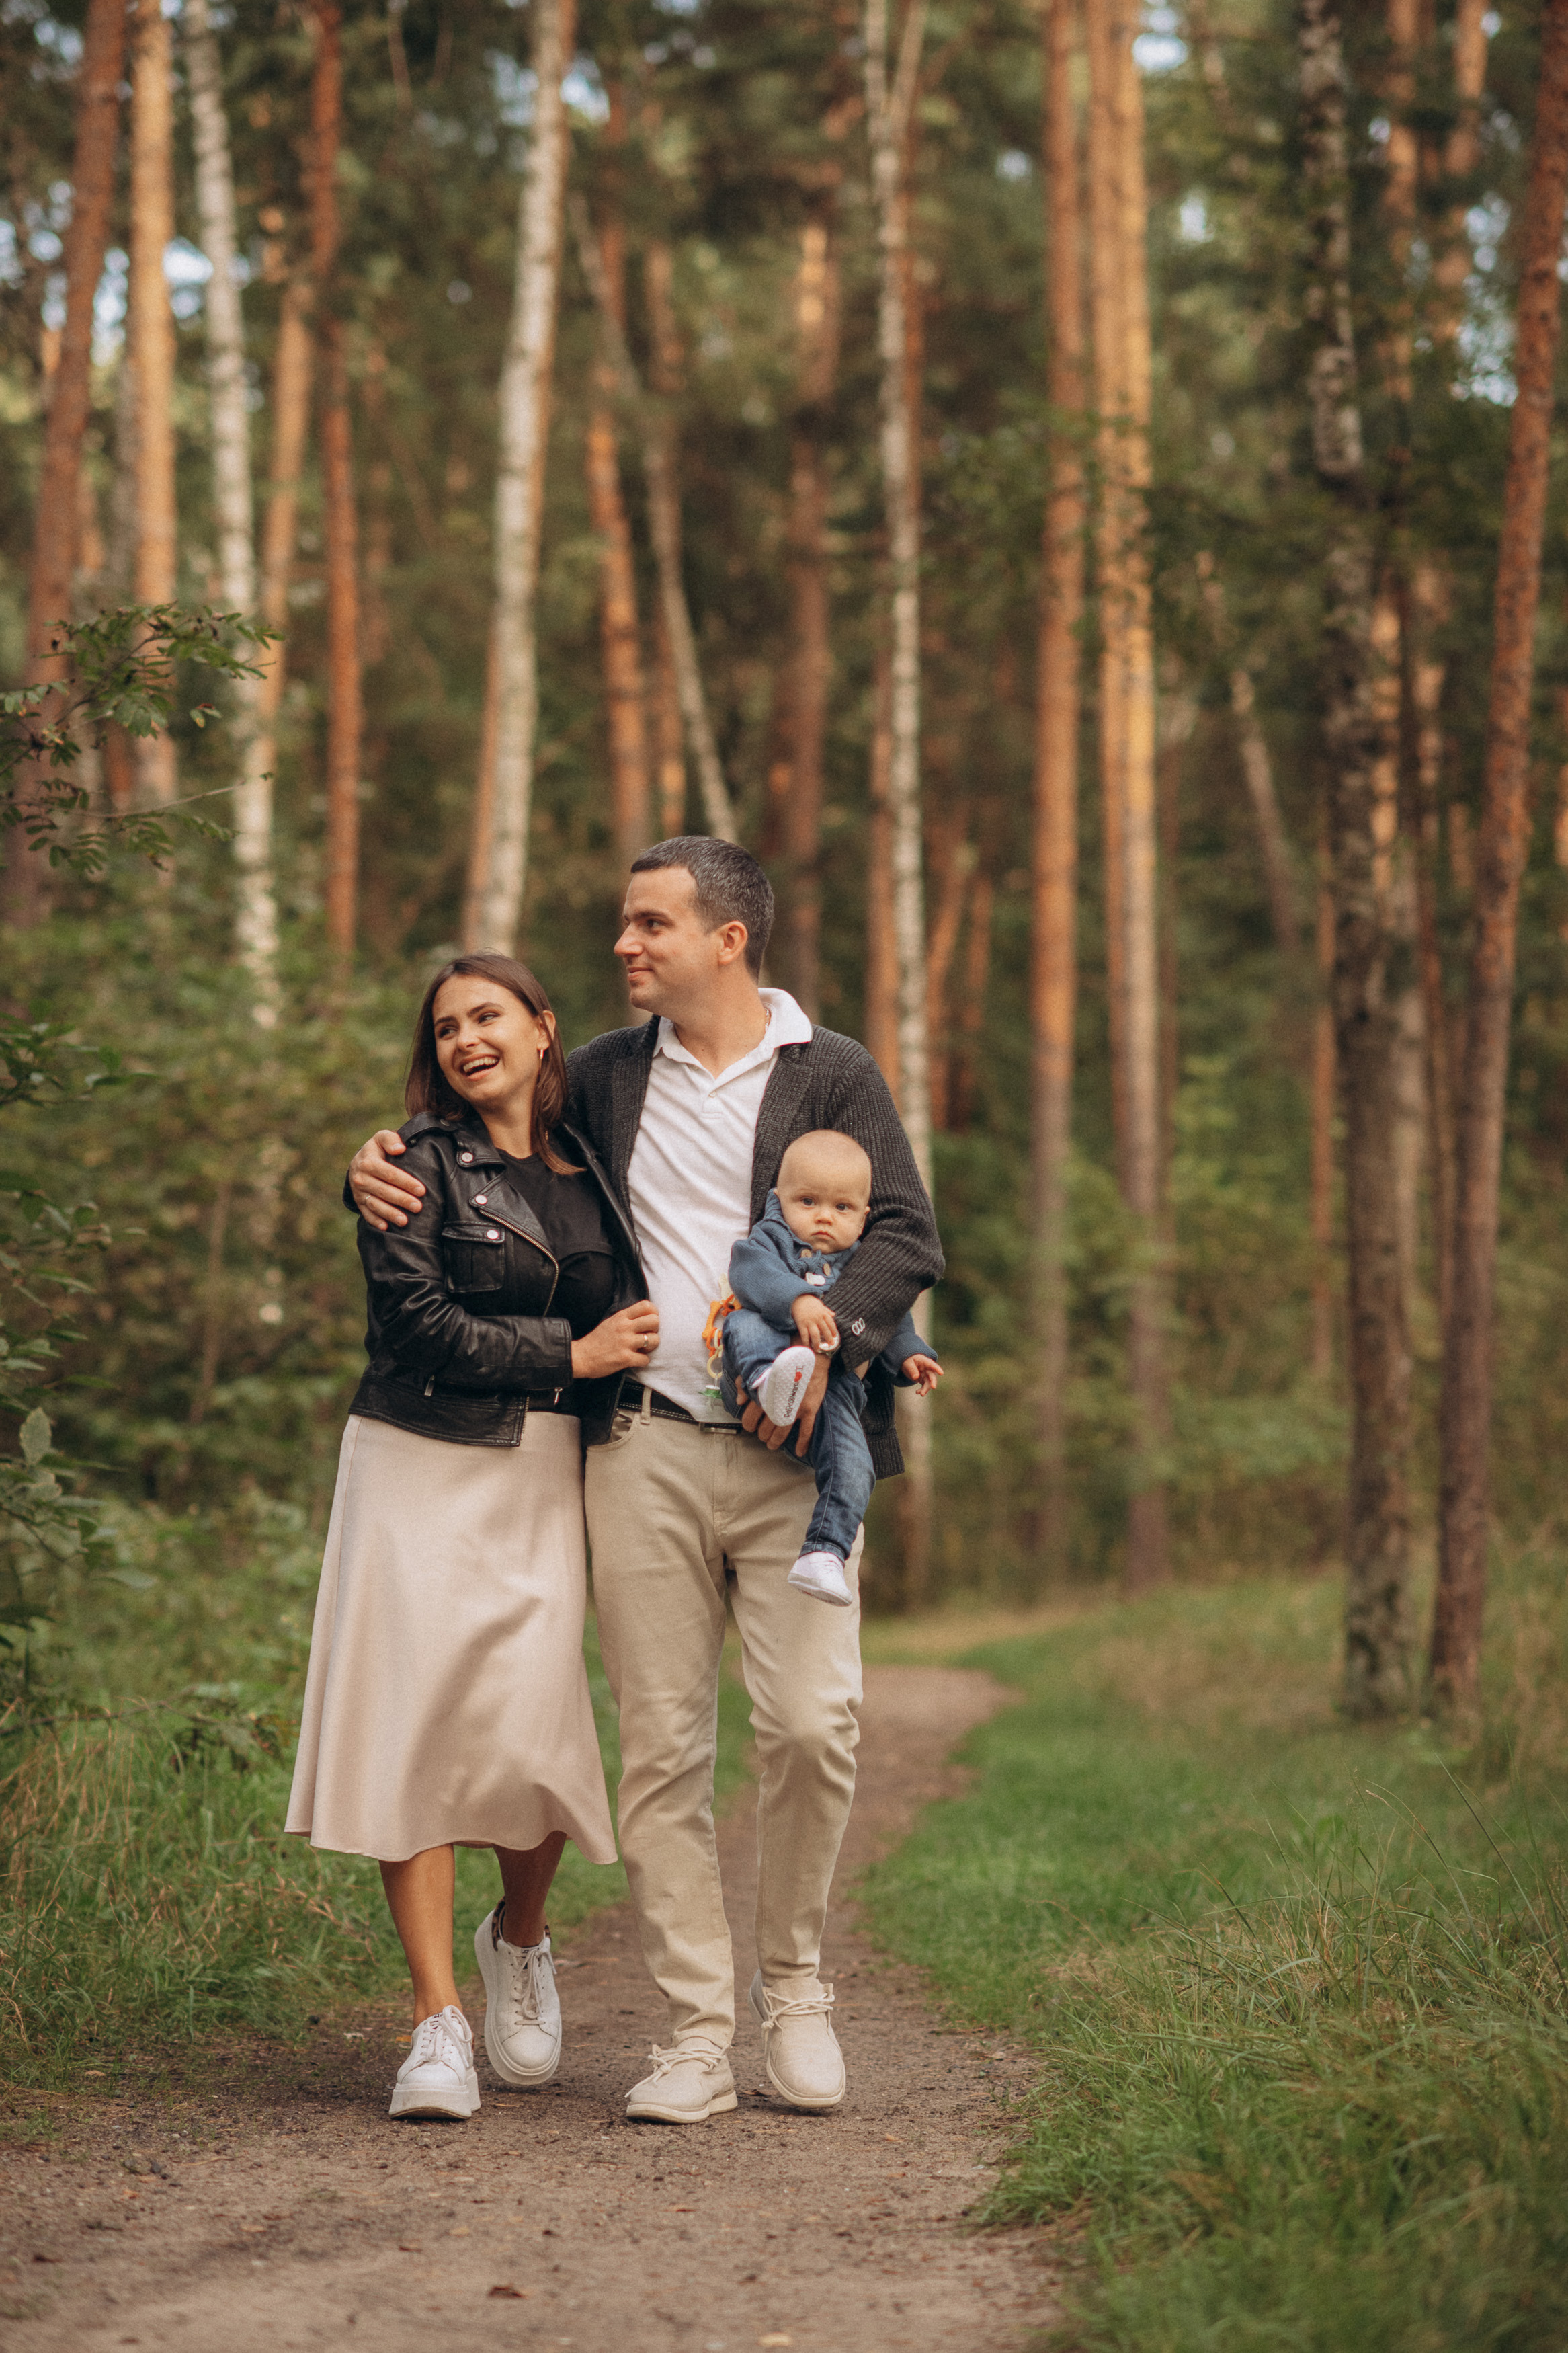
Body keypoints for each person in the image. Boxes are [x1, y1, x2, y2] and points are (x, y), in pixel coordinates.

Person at [347, 838, 943, 2124]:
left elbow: (902, 1228)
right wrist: (371, 1156)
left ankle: (793, 1990)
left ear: (726, 938)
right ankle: (691, 2031)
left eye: (647, 924)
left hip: (795, 1451)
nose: (623, 944)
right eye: (624, 924)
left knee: (810, 1725)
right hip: (640, 1444)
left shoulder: (829, 1069)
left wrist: (838, 1331)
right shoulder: (606, 1078)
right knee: (662, 1753)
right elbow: (480, 1132)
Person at [288, 953, 659, 2123]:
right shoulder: (409, 1167)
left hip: (550, 1471)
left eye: (488, 1015)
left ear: (546, 1029)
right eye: (446, 1026)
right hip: (417, 1457)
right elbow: (415, 1322)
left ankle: (523, 1934)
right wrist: (573, 1355)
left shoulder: (603, 1158)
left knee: (536, 1726)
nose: (466, 1039)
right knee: (416, 1727)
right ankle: (434, 2022)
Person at [714, 1129, 942, 1607]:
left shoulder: (861, 1264)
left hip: (832, 1389)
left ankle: (823, 1553)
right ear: (778, 1200)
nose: (822, 1217)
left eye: (841, 1208)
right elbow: (748, 1273)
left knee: (855, 1466)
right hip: (756, 1366)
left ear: (864, 1219)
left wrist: (910, 1356)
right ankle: (769, 1383)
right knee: (744, 1323)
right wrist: (797, 1301)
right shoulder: (770, 1239)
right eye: (808, 1201)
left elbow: (891, 1320)